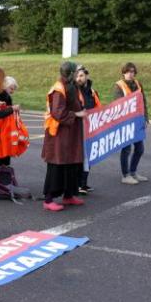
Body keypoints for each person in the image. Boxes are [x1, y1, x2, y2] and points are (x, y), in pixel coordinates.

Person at [42, 61, 88, 211]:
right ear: (70, 74)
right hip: (60, 134)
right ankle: (48, 200)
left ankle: (69, 195)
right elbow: (57, 112)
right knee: (57, 165)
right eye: (76, 72)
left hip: (71, 132)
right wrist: (77, 114)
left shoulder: (72, 86)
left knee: (72, 164)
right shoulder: (59, 88)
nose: (78, 75)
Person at [113, 62, 148, 184]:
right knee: (126, 149)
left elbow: (143, 102)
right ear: (124, 73)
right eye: (128, 72)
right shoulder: (119, 86)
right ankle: (125, 175)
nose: (131, 74)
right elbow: (118, 105)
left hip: (138, 121)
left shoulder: (138, 84)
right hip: (125, 122)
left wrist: (145, 118)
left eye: (133, 72)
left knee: (139, 149)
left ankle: (133, 172)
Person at [75, 65, 101, 195]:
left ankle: (83, 183)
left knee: (88, 157)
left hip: (90, 128)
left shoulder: (92, 91)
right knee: (79, 157)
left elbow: (99, 108)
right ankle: (77, 184)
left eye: (81, 75)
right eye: (77, 76)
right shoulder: (73, 91)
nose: (78, 78)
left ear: (86, 76)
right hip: (77, 129)